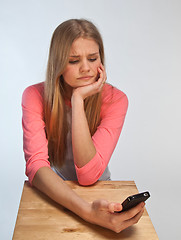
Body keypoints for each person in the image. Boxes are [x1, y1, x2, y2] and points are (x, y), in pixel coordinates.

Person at [22, 18, 145, 233]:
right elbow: (36, 166)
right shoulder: (34, 95)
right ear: (58, 63)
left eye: (92, 58)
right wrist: (87, 212)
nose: (86, 68)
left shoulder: (117, 100)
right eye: (73, 60)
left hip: (98, 189)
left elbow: (88, 176)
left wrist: (78, 100)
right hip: (55, 190)